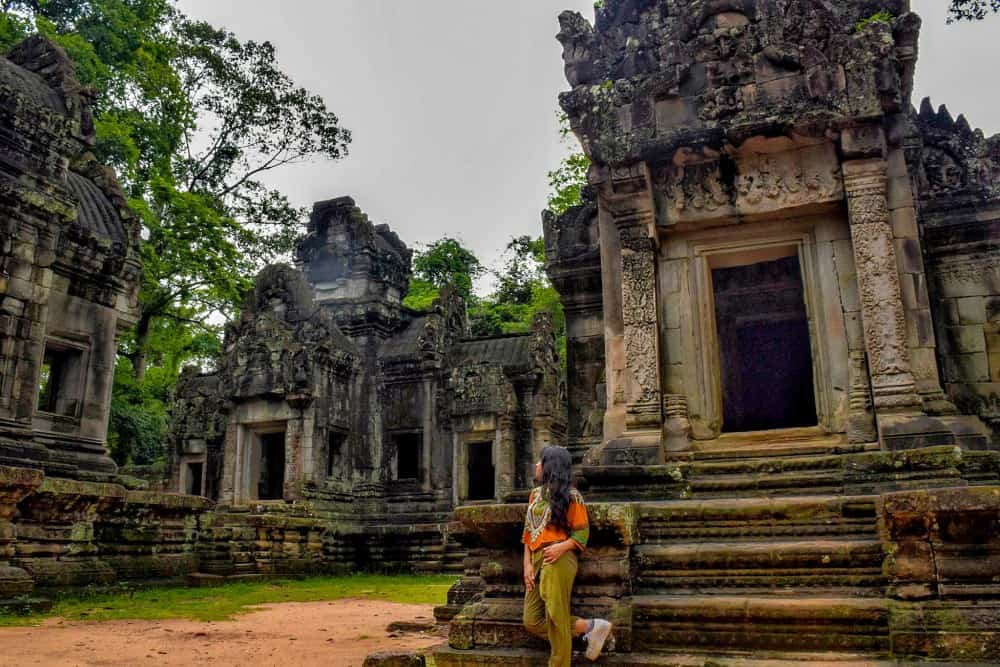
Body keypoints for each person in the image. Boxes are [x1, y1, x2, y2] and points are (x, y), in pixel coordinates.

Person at [522, 445, 613, 665]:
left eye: (540, 461)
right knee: (532, 620)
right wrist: (527, 564)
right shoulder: (534, 495)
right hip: (535, 559)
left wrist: (561, 547)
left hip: (559, 558)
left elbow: (582, 533)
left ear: (550, 466)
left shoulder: (572, 496)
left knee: (555, 616)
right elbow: (527, 532)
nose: (536, 465)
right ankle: (589, 627)